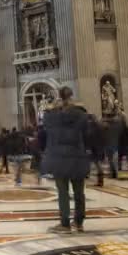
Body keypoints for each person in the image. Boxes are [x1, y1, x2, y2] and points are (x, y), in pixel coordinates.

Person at [42, 87, 89, 234]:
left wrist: (52, 108)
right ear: (71, 96)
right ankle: (79, 222)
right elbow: (88, 132)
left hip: (59, 158)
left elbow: (44, 127)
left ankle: (65, 223)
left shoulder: (53, 115)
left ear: (59, 97)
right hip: (77, 156)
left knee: (63, 192)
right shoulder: (81, 114)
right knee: (79, 192)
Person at [86, 114, 105, 186]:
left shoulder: (91, 127)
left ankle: (100, 179)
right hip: (100, 147)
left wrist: (89, 147)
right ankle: (100, 179)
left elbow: (90, 137)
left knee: (97, 163)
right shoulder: (100, 126)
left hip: (94, 148)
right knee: (98, 163)